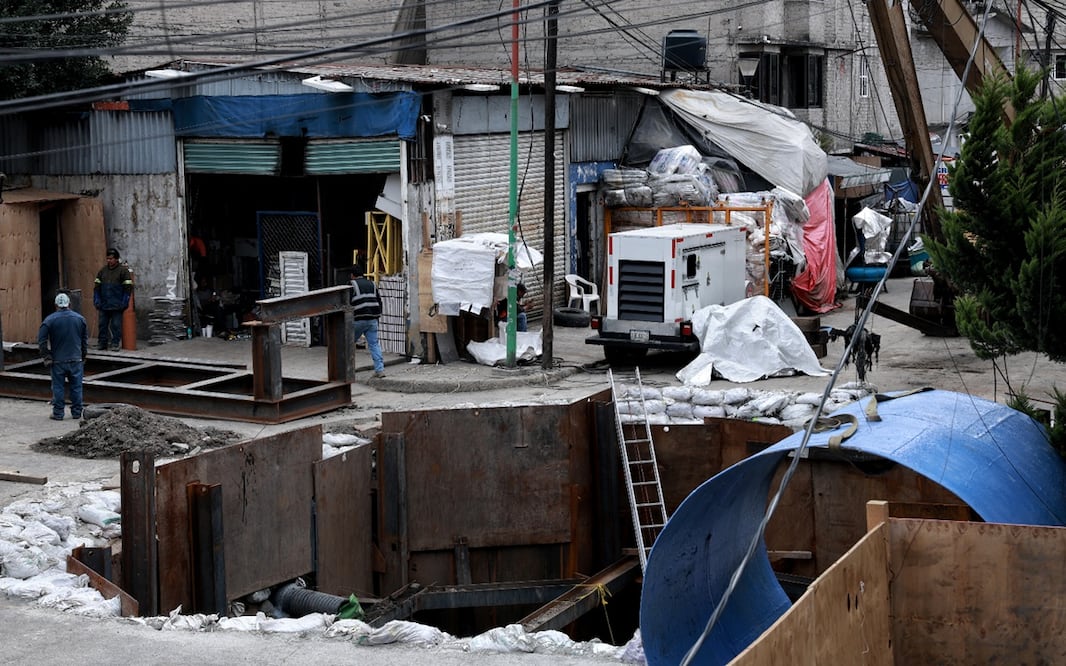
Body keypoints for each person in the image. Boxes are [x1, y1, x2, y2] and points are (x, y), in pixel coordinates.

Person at [38, 292, 88, 421]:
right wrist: (83, 355)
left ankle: (58, 413)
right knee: (76, 387)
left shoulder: (49, 320)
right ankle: (77, 412)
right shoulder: (80, 319)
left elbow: (42, 341)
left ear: (56, 305)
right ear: (69, 304)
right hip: (76, 359)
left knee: (58, 387)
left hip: (58, 360)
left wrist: (46, 356)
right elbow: (84, 340)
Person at [349, 264, 385, 378]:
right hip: (372, 320)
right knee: (374, 344)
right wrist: (378, 316)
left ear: (352, 275)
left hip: (358, 320)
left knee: (348, 344)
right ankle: (380, 370)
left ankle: (348, 371)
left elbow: (347, 303)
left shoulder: (351, 285)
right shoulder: (372, 284)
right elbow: (379, 301)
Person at [93, 248, 132, 351]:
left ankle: (115, 344)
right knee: (102, 325)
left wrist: (124, 302)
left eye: (111, 259)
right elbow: (97, 287)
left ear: (116, 259)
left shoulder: (123, 271)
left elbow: (128, 288)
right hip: (104, 304)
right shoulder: (103, 271)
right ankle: (102, 343)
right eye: (107, 259)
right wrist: (97, 299)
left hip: (117, 305)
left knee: (116, 325)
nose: (109, 260)